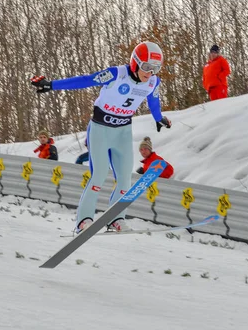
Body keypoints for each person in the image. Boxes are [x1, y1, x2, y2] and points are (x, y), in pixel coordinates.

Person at [31, 41, 172, 232]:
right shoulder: (117, 74)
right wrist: (51, 85)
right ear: (135, 63)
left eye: (155, 68)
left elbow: (153, 101)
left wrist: (159, 118)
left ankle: (116, 218)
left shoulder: (153, 82)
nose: (150, 72)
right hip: (100, 128)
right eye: (146, 67)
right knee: (99, 174)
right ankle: (84, 220)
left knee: (124, 179)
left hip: (123, 131)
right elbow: (86, 80)